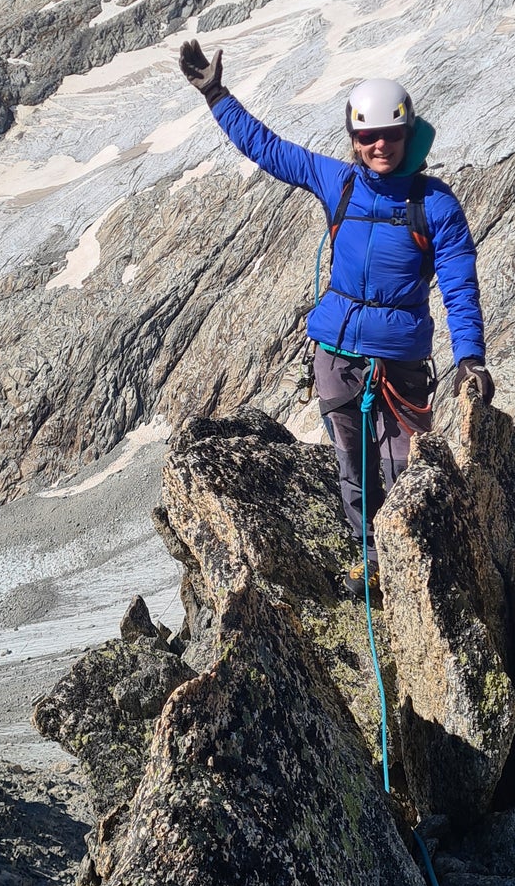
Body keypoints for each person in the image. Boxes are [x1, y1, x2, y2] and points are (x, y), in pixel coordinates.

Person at [178, 38, 494, 599]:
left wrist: (470, 358)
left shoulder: (435, 204)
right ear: (353, 139)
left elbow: (459, 283)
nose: (379, 146)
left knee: (403, 469)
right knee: (354, 466)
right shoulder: (338, 182)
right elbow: (269, 149)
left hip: (398, 364)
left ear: (408, 135)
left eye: (390, 135)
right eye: (367, 136)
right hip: (336, 355)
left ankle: (411, 564)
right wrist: (217, 97)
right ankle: (371, 564)